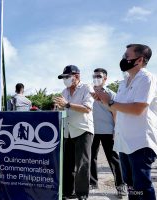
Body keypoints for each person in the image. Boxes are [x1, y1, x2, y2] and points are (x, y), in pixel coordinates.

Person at [95, 44, 157, 200]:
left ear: (139, 60)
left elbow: (138, 109)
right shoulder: (123, 82)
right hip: (124, 141)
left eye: (126, 56)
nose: (123, 59)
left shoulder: (147, 79)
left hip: (140, 142)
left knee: (142, 188)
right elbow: (117, 109)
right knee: (131, 186)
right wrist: (104, 101)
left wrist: (110, 103)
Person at [54, 65, 94, 200]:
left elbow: (87, 108)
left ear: (76, 76)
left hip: (83, 130)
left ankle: (82, 194)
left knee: (82, 163)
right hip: (68, 131)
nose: (64, 80)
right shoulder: (64, 92)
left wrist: (67, 104)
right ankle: (67, 192)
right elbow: (64, 110)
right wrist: (59, 108)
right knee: (67, 163)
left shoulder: (87, 88)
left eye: (67, 77)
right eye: (63, 77)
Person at [90, 68, 126, 197]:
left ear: (105, 78)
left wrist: (116, 129)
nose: (96, 78)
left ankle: (121, 185)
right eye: (94, 76)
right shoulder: (88, 92)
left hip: (108, 130)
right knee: (91, 157)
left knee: (114, 159)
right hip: (91, 130)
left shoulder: (111, 94)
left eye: (99, 76)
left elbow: (116, 112)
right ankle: (92, 182)